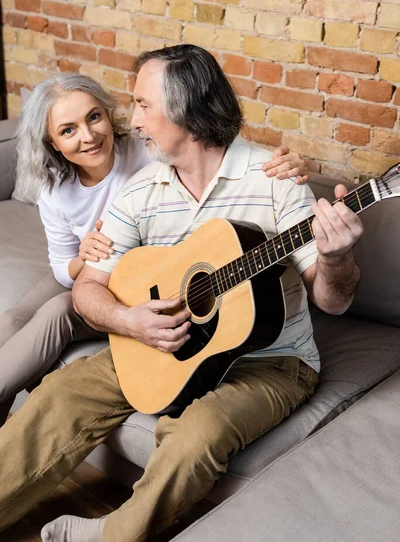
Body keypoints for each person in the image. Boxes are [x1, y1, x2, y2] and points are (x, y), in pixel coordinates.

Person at [0, 45, 363, 542]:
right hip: (156, 345)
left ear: (186, 107)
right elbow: (87, 288)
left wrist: (336, 256)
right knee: (59, 396)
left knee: (198, 434)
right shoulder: (140, 190)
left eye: (144, 105)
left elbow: (332, 301)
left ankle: (110, 536)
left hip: (270, 361)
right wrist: (129, 322)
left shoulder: (276, 180)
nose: (135, 119)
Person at [0, 72, 308, 427]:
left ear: (108, 114)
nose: (88, 137)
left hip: (139, 274)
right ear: (52, 142)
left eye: (94, 117)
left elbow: (210, 153)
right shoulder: (55, 190)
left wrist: (287, 163)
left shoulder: (147, 151)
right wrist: (83, 258)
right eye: (68, 130)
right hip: (85, 268)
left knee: (57, 311)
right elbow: (61, 267)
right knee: (10, 319)